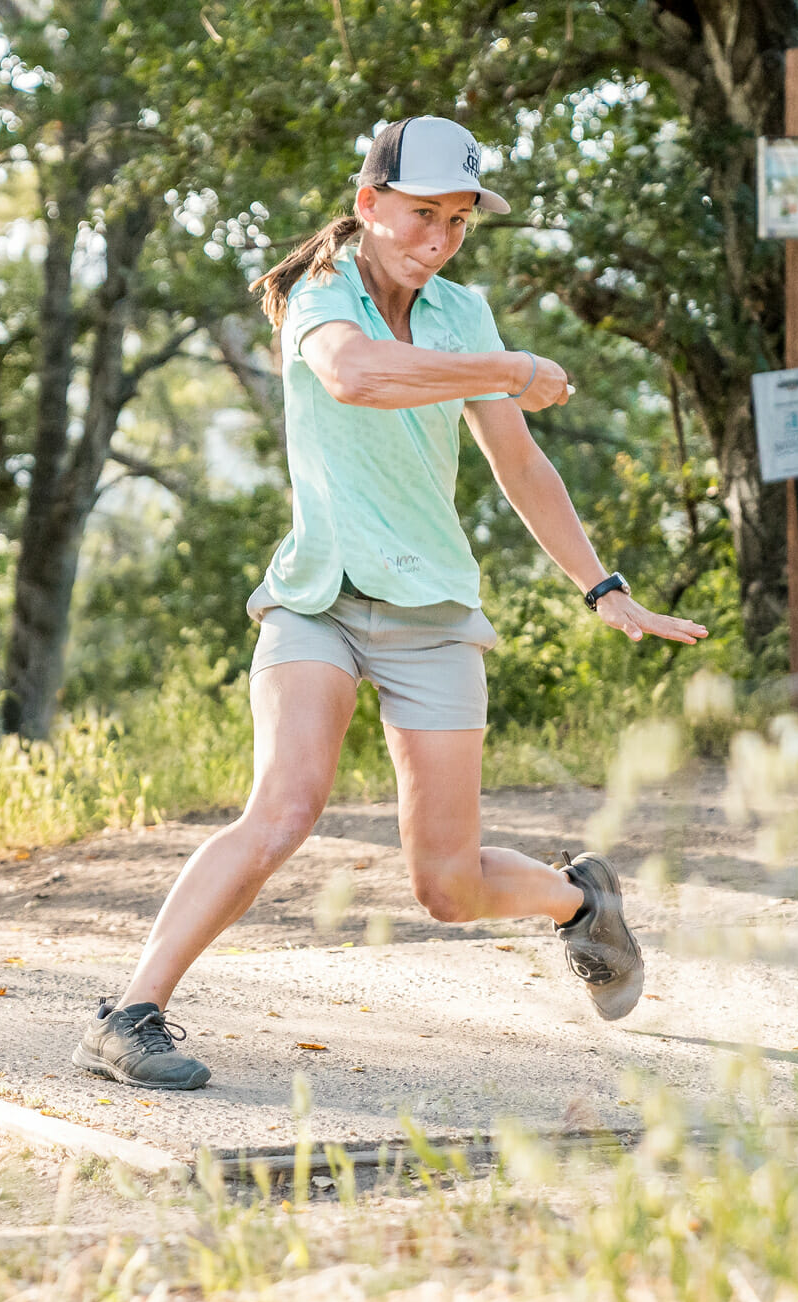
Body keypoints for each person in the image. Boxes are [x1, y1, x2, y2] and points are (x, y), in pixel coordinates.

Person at [73, 115, 708, 1090]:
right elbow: (353, 378)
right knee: (282, 806)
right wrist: (505, 371)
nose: (436, 240)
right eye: (419, 215)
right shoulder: (314, 295)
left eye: (455, 222)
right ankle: (129, 1014)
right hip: (316, 595)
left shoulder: (460, 314)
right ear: (367, 205)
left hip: (430, 610)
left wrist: (601, 586)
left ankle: (579, 906)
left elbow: (519, 463)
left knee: (446, 886)